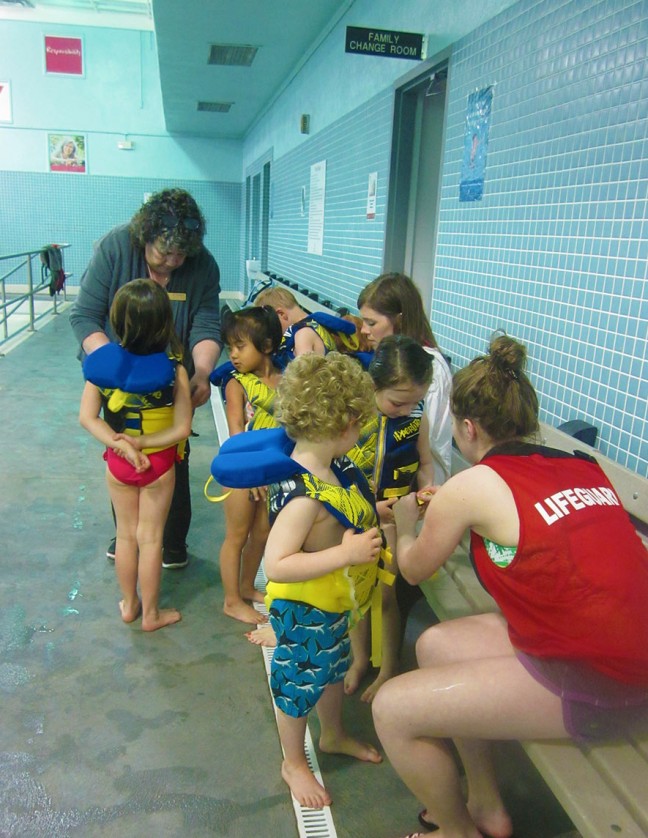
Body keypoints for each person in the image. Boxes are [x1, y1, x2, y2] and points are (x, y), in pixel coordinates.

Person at [372, 335, 648, 838]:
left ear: (469, 427)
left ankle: (457, 833)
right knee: (434, 644)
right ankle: (485, 804)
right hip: (621, 651)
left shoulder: (474, 484)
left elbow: (411, 569)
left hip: (606, 682)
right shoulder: (581, 467)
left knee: (392, 711)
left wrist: (405, 522)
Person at [258, 353, 386, 807]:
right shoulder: (303, 495)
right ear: (347, 422)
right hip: (302, 610)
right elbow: (277, 563)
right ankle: (293, 761)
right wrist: (345, 553)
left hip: (333, 605)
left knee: (331, 673)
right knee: (297, 686)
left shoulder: (329, 469)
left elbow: (340, 514)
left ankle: (332, 733)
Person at [70, 188, 222, 569]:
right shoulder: (115, 248)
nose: (172, 263)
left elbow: (205, 323)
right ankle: (128, 532)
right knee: (121, 450)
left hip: (171, 377)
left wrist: (201, 371)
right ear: (144, 238)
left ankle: (169, 541)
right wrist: (114, 370)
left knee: (174, 460)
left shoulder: (203, 265)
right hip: (115, 371)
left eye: (180, 255)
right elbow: (85, 316)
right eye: (163, 253)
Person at [79, 279, 192, 631]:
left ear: (116, 320)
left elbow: (87, 417)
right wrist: (143, 444)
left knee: (126, 536)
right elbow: (182, 429)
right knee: (151, 538)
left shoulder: (103, 366)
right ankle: (152, 615)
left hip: (118, 462)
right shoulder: (174, 369)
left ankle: (130, 605)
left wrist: (121, 444)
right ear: (164, 321)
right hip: (157, 463)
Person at [344, 335, 435, 703]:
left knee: (387, 593)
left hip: (396, 518)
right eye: (398, 401)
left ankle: (388, 671)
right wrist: (367, 504)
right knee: (357, 592)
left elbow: (425, 463)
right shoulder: (355, 415)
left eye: (415, 401)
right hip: (357, 514)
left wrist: (426, 492)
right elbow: (337, 469)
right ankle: (360, 658)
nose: (406, 408)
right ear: (373, 385)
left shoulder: (415, 416)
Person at [210, 307, 283, 624]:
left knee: (263, 532)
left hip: (274, 470)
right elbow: (235, 431)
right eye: (230, 348)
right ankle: (231, 600)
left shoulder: (286, 379)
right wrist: (249, 473)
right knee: (237, 535)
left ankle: (246, 585)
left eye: (241, 347)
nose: (234, 355)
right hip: (242, 470)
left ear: (266, 346)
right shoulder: (236, 383)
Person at [358, 272, 452, 485]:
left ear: (398, 322)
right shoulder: (386, 361)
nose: (364, 330)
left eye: (371, 323)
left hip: (415, 486)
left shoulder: (429, 367)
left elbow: (430, 444)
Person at [254, 286, 360, 360]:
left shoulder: (302, 335)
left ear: (281, 314)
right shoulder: (316, 324)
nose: (273, 333)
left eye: (271, 326)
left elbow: (303, 379)